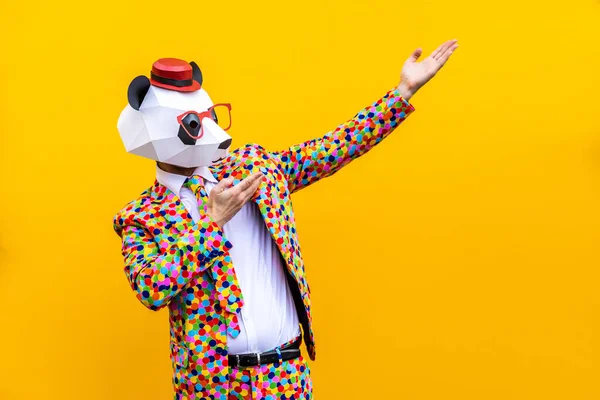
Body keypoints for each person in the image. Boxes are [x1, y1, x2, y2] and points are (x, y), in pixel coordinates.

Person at [113, 39, 459, 400]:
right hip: (212, 389)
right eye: (192, 124)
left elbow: (331, 149)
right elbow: (151, 289)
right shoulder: (141, 216)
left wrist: (401, 93)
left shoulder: (252, 168)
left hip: (285, 377)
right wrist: (209, 226)